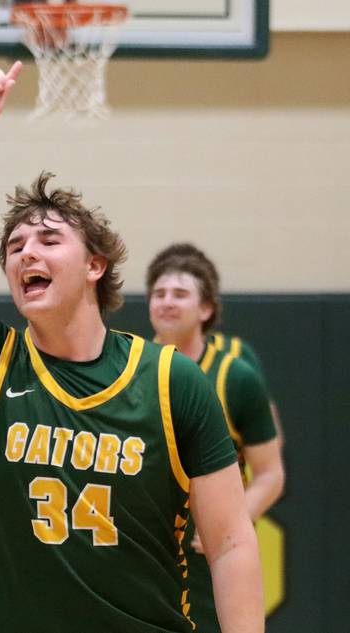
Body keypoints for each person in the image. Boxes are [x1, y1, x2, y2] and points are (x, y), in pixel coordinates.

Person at [0, 62, 264, 632]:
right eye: (14, 246)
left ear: (94, 265)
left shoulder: (170, 380)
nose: (26, 253)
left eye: (48, 239)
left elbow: (233, 541)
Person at [147, 243, 285, 632]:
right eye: (159, 293)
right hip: (148, 546)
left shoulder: (237, 377)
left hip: (209, 550)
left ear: (205, 309)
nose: (167, 302)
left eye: (180, 294)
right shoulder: (129, 368)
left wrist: (231, 524)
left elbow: (271, 473)